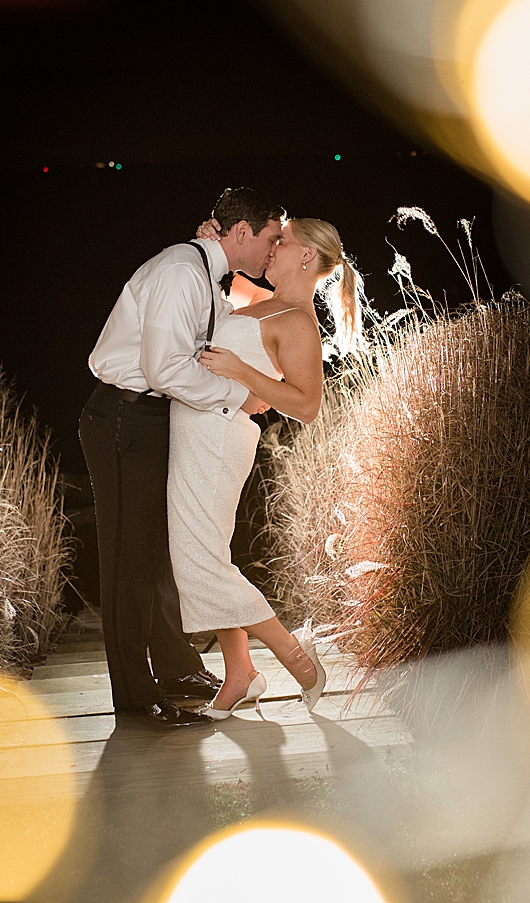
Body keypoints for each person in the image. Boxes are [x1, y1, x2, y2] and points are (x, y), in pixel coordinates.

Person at [81, 188, 284, 728]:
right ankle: (136, 700)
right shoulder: (180, 271)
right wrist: (243, 396)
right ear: (241, 233)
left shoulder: (202, 272)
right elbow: (169, 369)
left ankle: (175, 671)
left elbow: (207, 336)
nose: (275, 248)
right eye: (269, 238)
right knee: (128, 563)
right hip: (123, 419)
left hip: (150, 419)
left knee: (158, 554)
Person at [169, 215, 364, 718]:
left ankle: (297, 661)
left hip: (218, 443)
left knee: (201, 558)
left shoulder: (298, 321)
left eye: (282, 240)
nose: (271, 247)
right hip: (194, 434)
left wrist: (242, 372)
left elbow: (307, 406)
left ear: (305, 256)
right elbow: (216, 275)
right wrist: (209, 240)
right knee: (202, 554)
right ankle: (240, 671)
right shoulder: (258, 300)